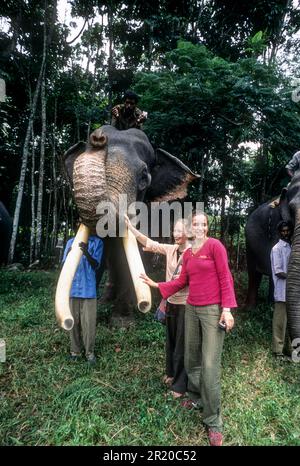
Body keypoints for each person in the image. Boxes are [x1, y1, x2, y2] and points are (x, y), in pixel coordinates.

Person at [141, 211, 237, 447]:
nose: (200, 228)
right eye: (196, 224)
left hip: (212, 310)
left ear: (207, 227)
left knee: (210, 364)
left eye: (204, 224)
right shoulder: (189, 253)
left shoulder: (215, 246)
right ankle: (194, 396)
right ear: (190, 228)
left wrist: (227, 309)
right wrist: (156, 285)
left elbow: (225, 277)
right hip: (191, 309)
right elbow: (182, 281)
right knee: (192, 358)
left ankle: (213, 421)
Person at [125, 214, 189, 399]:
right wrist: (131, 228)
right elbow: (149, 242)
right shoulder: (171, 249)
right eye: (175, 230)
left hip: (186, 305)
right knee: (171, 341)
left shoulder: (193, 253)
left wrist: (156, 285)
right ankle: (171, 374)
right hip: (171, 303)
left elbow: (184, 282)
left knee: (181, 346)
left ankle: (179, 386)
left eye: (180, 231)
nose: (176, 234)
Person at [62, 232, 104, 365]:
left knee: (89, 323)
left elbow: (96, 265)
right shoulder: (70, 242)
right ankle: (75, 351)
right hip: (72, 288)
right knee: (72, 322)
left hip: (88, 290)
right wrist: (69, 253)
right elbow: (64, 264)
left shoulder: (97, 242)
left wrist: (85, 252)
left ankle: (89, 353)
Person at [270, 221, 293, 361]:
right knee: (280, 323)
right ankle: (278, 352)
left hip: (293, 293)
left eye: (287, 230)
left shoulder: (292, 247)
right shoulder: (276, 248)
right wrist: (295, 276)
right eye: (283, 231)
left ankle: (291, 350)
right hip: (282, 292)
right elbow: (278, 271)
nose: (286, 233)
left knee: (293, 323)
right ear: (279, 232)